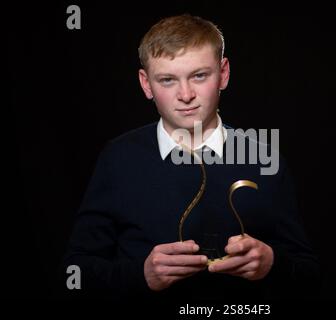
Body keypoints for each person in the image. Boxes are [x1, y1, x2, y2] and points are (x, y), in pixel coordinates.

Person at [61, 14, 319, 301]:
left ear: (223, 73)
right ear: (146, 84)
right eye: (168, 80)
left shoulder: (263, 157)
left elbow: (308, 273)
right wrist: (140, 275)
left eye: (199, 75)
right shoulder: (118, 158)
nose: (185, 95)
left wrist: (272, 264)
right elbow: (75, 272)